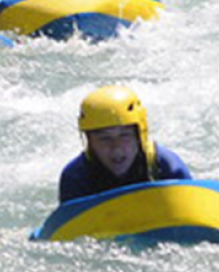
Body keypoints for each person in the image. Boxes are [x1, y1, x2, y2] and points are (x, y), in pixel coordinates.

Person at [58, 86, 192, 203]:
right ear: (90, 142)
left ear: (139, 136)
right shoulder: (76, 177)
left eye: (124, 136)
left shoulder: (166, 167)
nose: (116, 147)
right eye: (104, 138)